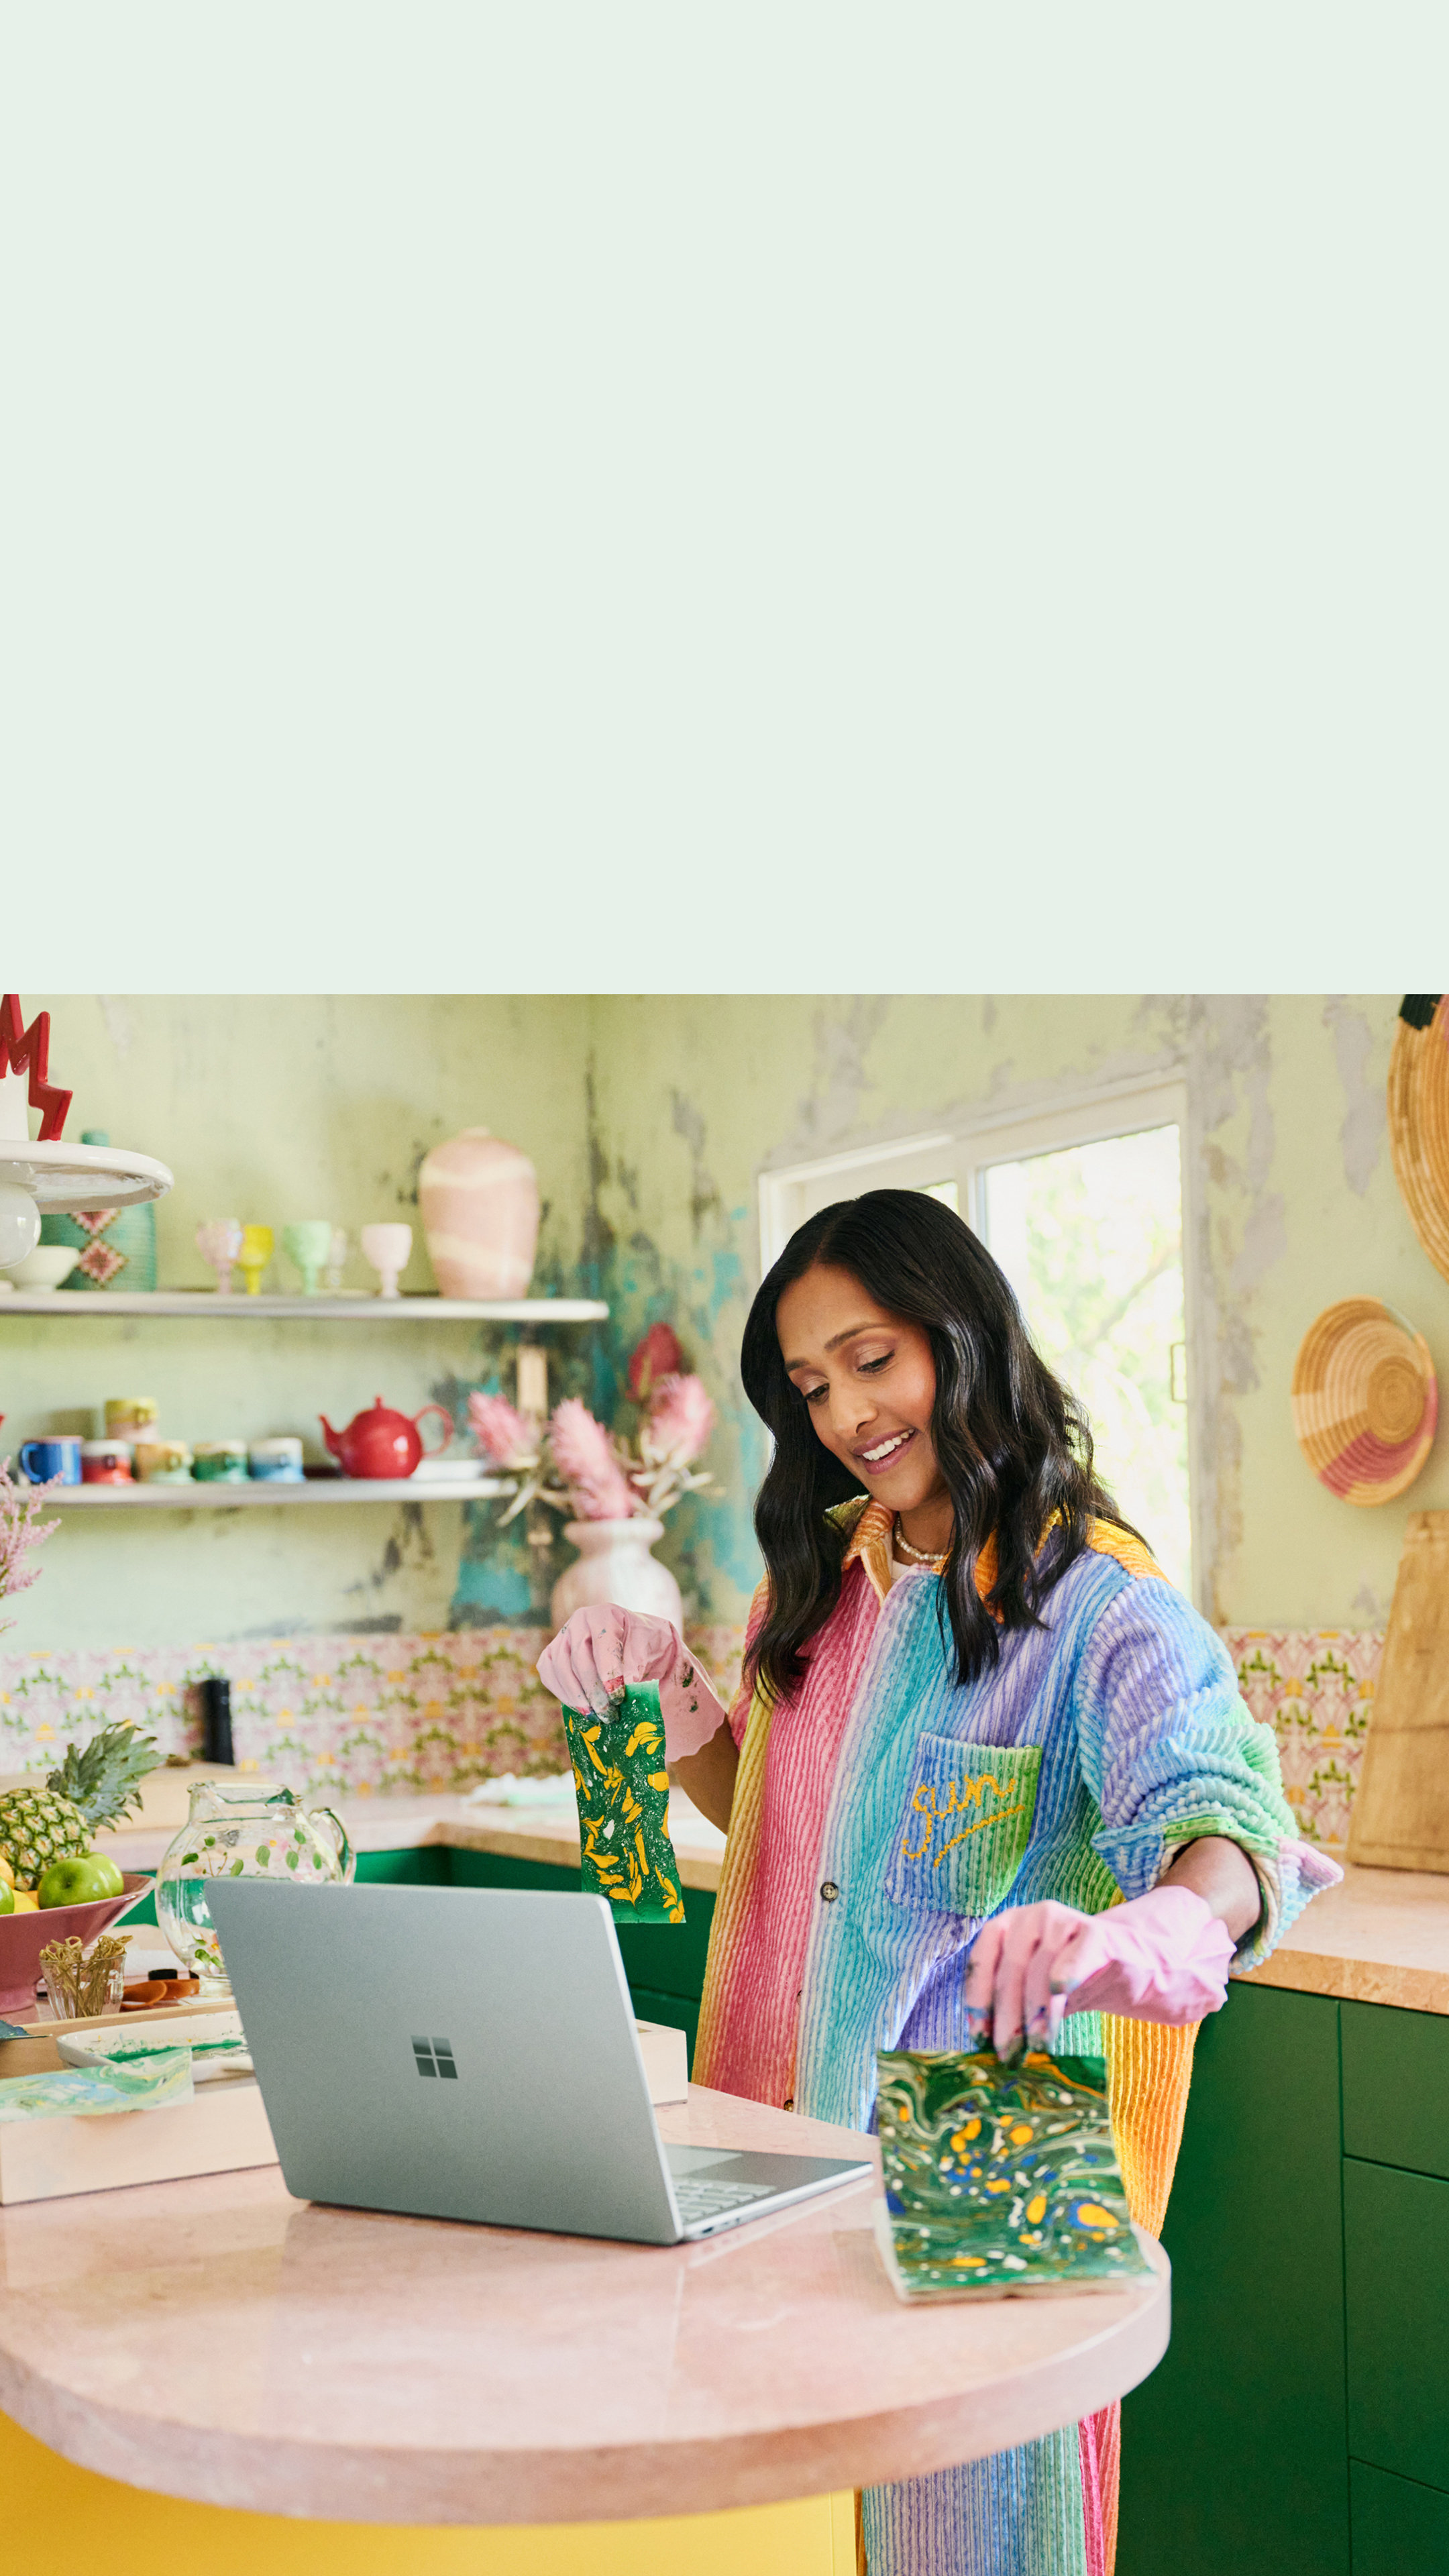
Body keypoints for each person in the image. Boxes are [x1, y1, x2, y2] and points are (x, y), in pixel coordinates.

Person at [537, 1189, 1339, 2576]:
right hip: (776, 2136)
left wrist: (1161, 1918)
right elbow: (784, 1830)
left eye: (871, 1358)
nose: (846, 1412)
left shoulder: (1101, 1603)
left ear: (961, 1335)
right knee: (781, 2531)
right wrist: (669, 1697)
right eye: (809, 1386)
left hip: (991, 2157)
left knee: (976, 2543)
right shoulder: (819, 1587)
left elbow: (1229, 1825)